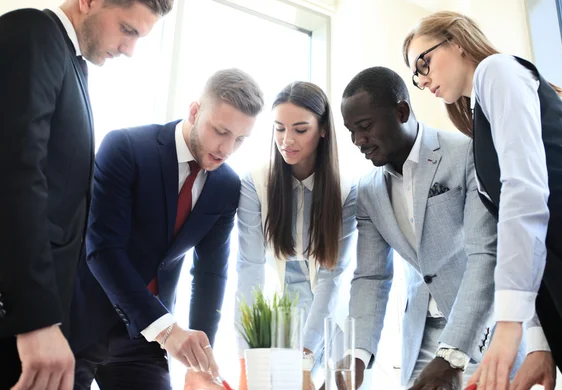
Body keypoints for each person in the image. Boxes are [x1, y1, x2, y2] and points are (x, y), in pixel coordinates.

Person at [404, 11, 562, 390]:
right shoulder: (481, 123)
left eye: (423, 62)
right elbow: (525, 231)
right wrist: (541, 345)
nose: (422, 78)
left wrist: (510, 327)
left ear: (456, 41)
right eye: (416, 74)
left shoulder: (496, 70)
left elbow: (524, 193)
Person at [0, 0, 170, 389]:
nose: (130, 49)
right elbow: (13, 176)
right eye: (127, 29)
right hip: (18, 315)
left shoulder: (71, 62)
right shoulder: (34, 33)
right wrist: (35, 319)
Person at [68, 68, 263, 390]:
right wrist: (168, 331)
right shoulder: (126, 147)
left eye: (240, 139)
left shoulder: (227, 186)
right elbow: (103, 249)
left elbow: (210, 273)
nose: (227, 149)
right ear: (195, 111)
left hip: (144, 340)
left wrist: (201, 359)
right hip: (82, 322)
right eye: (220, 131)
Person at [338, 66, 526, 390]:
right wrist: (355, 354)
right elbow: (372, 276)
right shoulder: (367, 191)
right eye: (351, 131)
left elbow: (485, 254)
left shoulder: (466, 152)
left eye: (365, 127)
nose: (358, 141)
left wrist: (453, 355)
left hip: (483, 334)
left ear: (401, 112)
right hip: (420, 344)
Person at [235, 81, 357, 390]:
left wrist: (305, 356)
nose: (286, 140)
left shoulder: (346, 190)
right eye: (279, 128)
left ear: (323, 130)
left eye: (300, 130)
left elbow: (333, 278)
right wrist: (247, 355)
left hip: (335, 316)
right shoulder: (255, 184)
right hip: (285, 315)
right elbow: (249, 271)